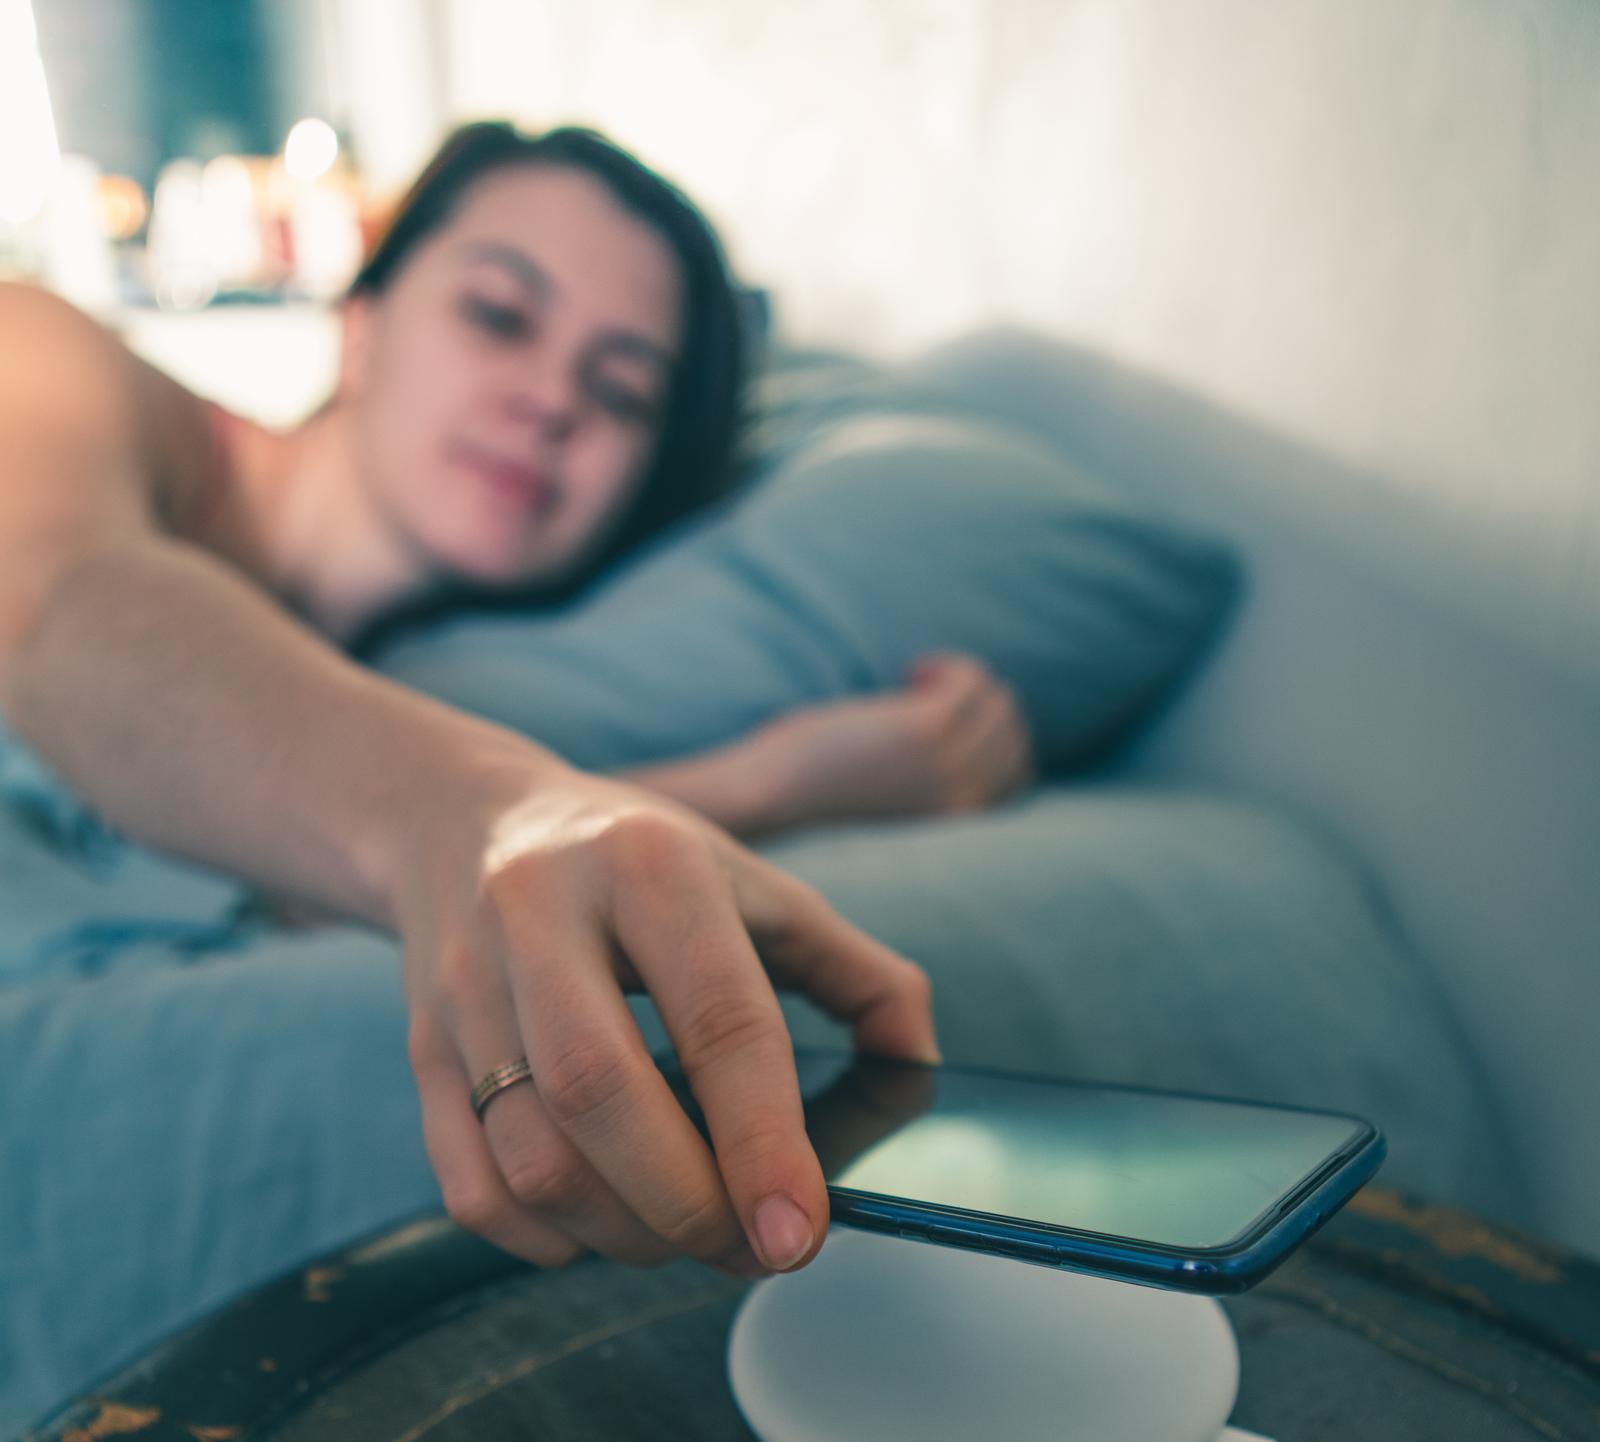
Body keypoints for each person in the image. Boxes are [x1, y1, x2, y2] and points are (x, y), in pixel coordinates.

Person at [0, 119, 1034, 1299]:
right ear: (362, 322)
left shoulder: (465, 672)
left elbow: (286, 879)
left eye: (622, 390)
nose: (550, 398)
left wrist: (776, 778)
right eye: (498, 314)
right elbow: (53, 602)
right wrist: (477, 816)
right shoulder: (45, 358)